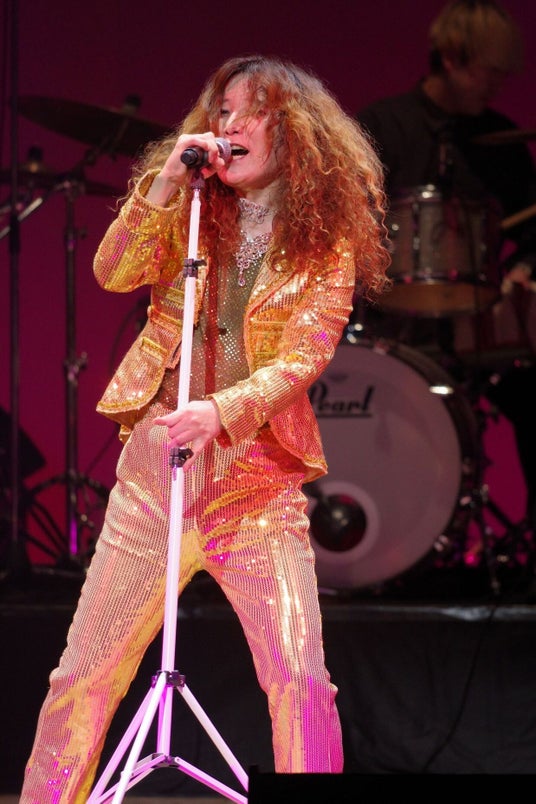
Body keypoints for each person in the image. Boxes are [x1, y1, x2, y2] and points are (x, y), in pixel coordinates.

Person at [20, 54, 390, 801]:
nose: (230, 124)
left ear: (295, 132)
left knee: (300, 679)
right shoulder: (193, 210)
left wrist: (222, 410)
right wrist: (164, 181)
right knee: (82, 673)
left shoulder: (325, 242)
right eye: (222, 111)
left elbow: (304, 357)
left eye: (252, 111)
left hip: (256, 487)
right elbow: (112, 270)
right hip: (156, 478)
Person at [354, 0, 536, 546]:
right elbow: (342, 223)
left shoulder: (500, 141)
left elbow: (532, 232)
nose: (497, 86)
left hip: (477, 326)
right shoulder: (383, 127)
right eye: (489, 72)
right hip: (389, 324)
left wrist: (523, 269)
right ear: (452, 59)